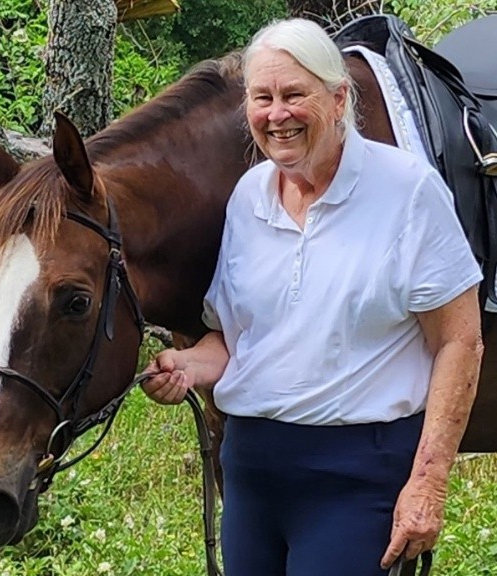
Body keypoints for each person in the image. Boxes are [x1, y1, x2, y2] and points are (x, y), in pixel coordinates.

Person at [142, 18, 484, 576]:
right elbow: (235, 338)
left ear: (338, 98)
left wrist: (428, 482)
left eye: (294, 95)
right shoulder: (248, 197)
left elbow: (459, 343)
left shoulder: (407, 191)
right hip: (251, 478)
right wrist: (186, 366)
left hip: (357, 478)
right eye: (263, 98)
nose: (277, 115)